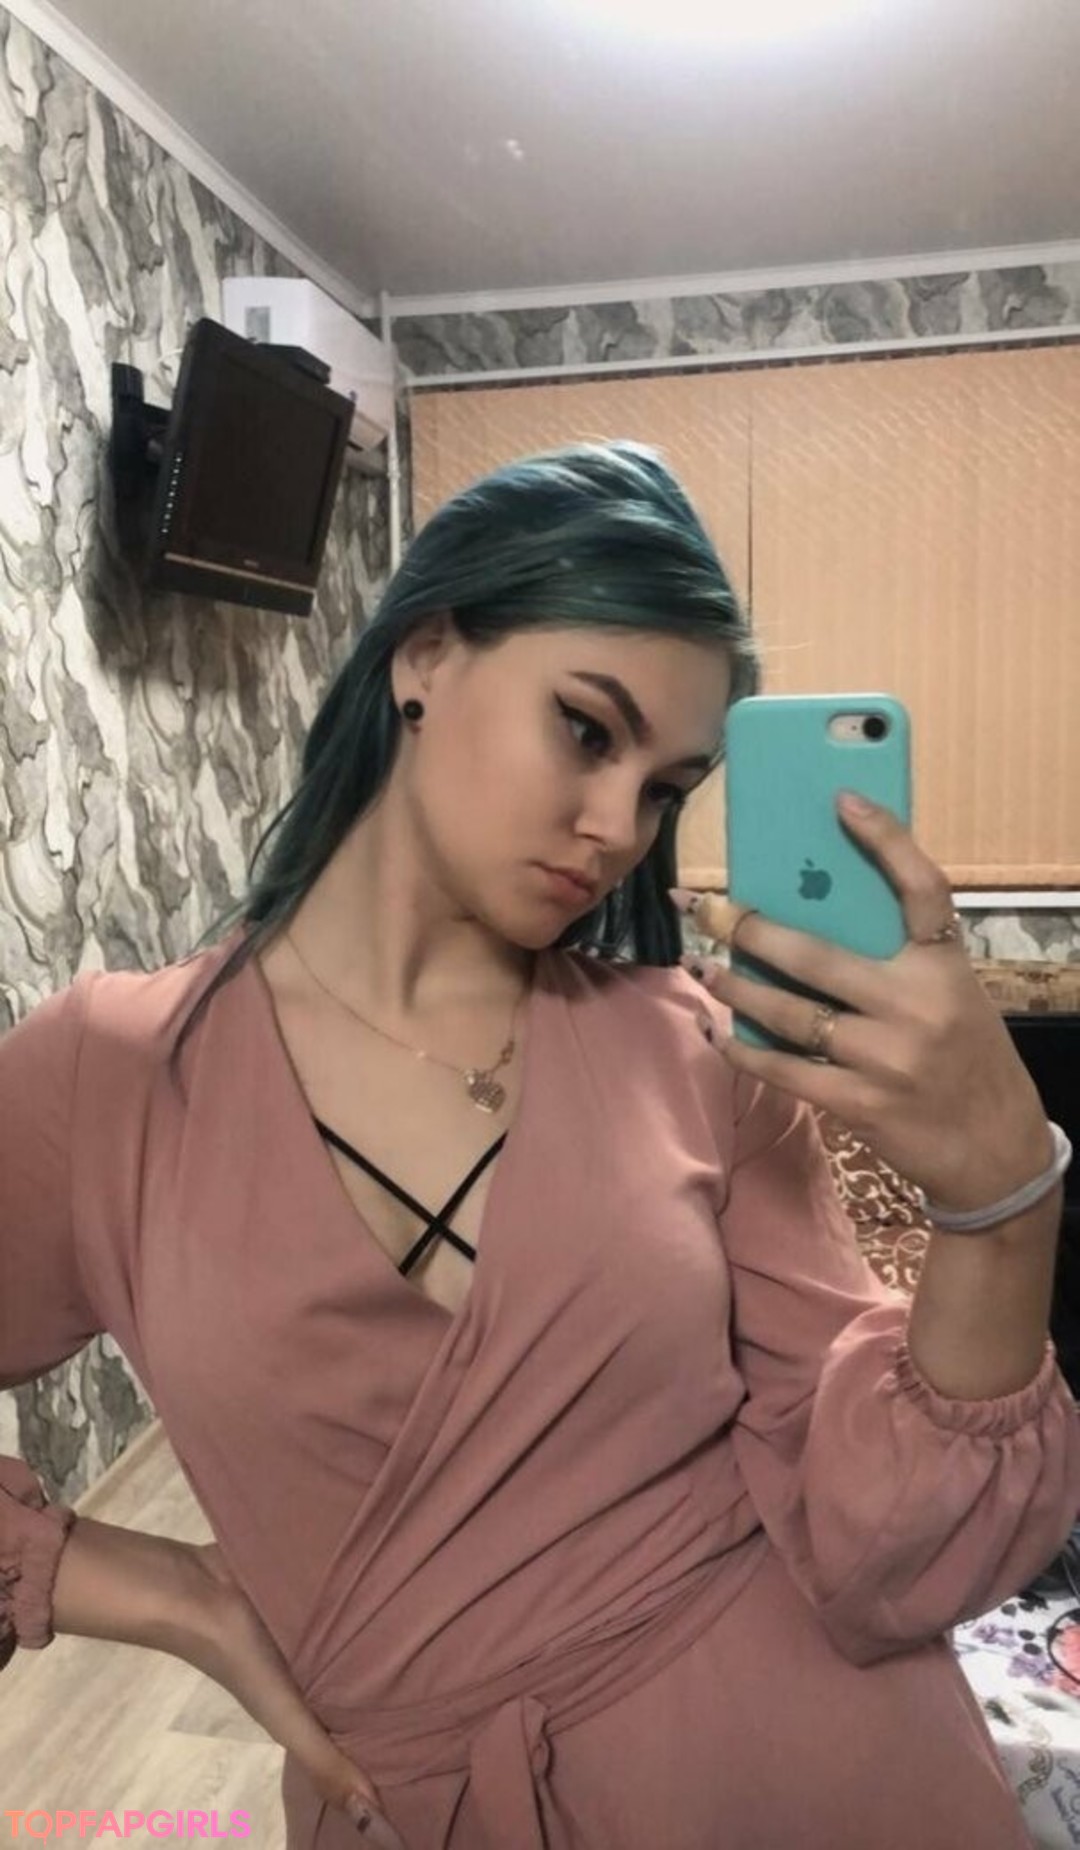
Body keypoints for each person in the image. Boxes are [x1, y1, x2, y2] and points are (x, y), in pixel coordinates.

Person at [1, 440, 1077, 1850]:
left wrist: (1003, 1196)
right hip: (414, 1797)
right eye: (585, 728)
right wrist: (175, 1597)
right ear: (425, 656)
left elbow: (890, 1552)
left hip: (817, 1770)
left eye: (667, 785)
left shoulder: (695, 1056)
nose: (618, 827)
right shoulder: (116, 1074)